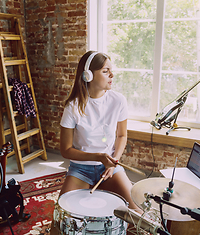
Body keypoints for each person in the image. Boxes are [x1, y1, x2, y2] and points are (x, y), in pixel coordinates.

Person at [50, 51, 140, 234]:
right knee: (60, 221)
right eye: (106, 71)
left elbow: (122, 136)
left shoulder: (118, 101)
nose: (112, 75)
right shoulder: (72, 107)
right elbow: (66, 150)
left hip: (110, 168)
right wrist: (99, 157)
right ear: (88, 75)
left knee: (138, 215)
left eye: (111, 70)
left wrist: (113, 161)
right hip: (80, 169)